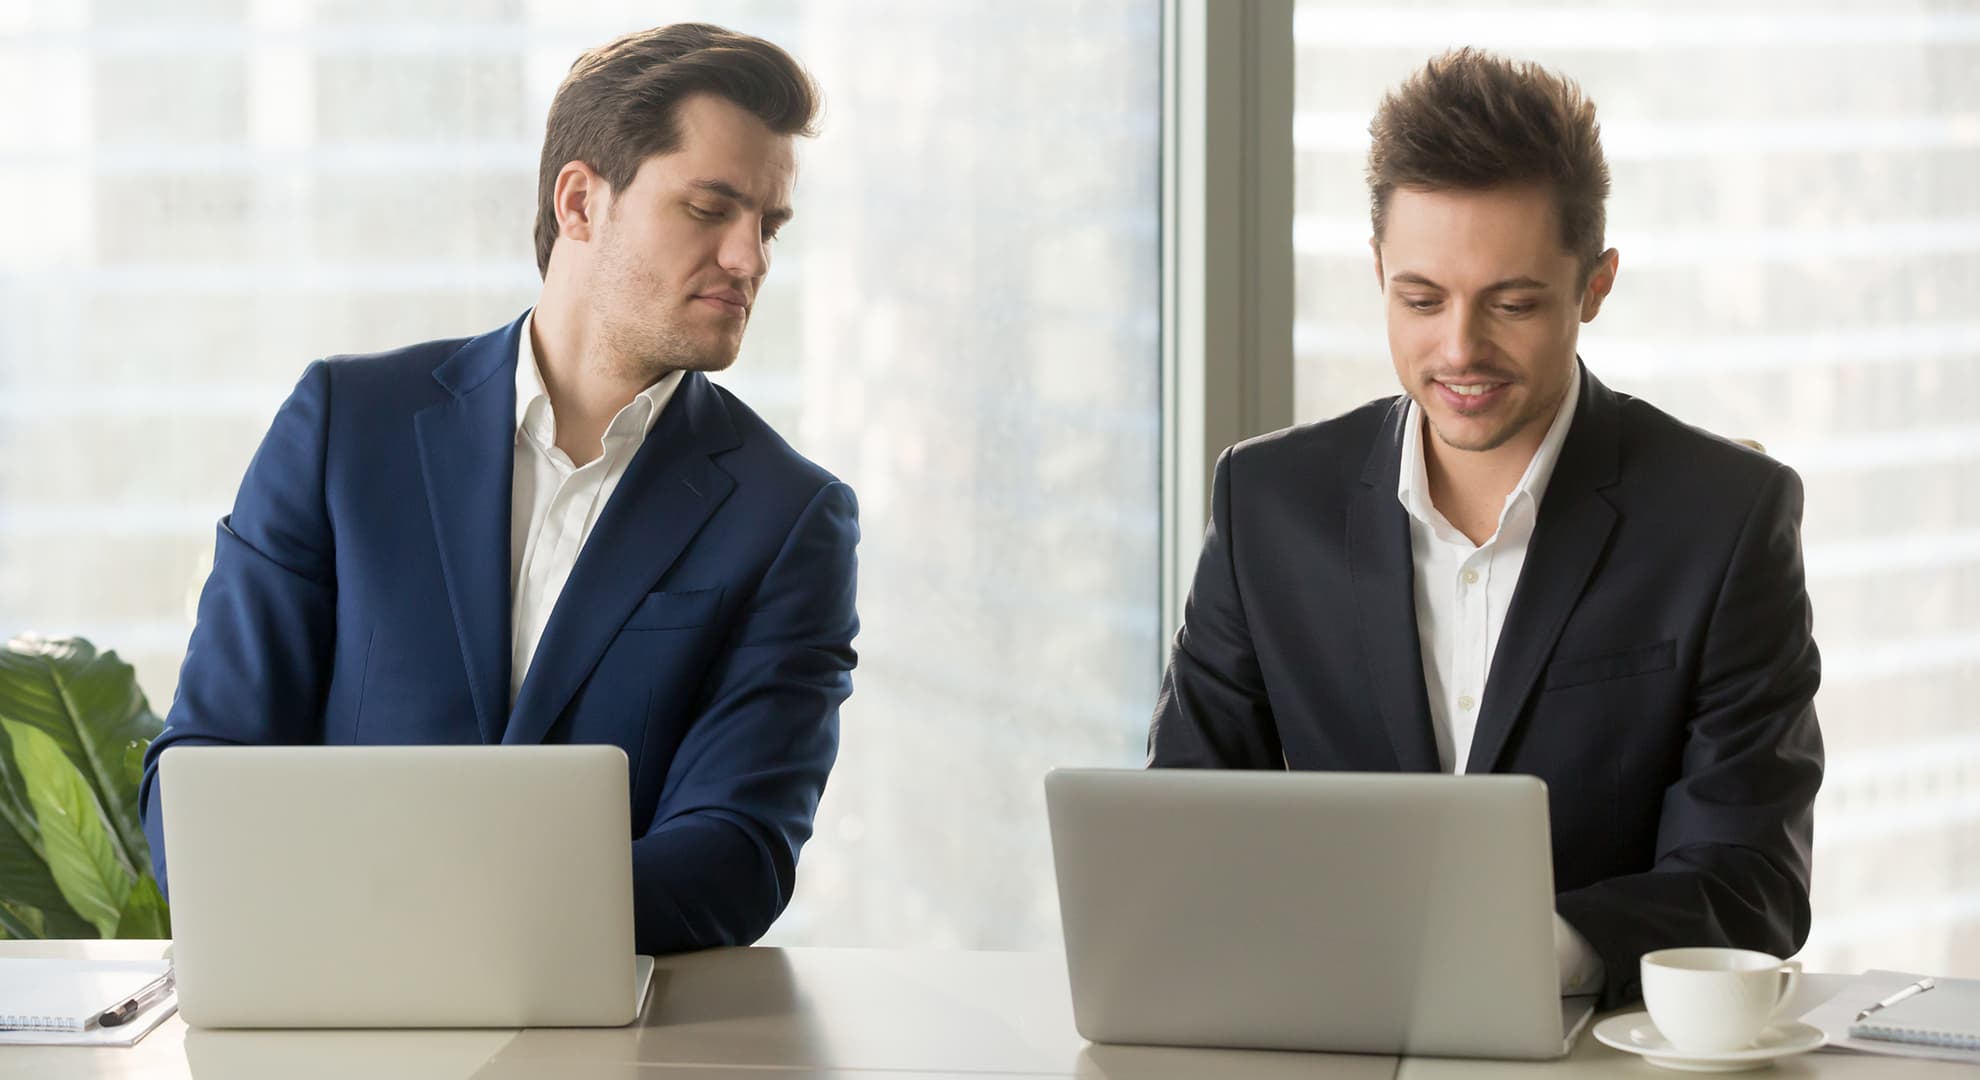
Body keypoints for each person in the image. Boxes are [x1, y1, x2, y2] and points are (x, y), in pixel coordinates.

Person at [139, 23, 858, 954]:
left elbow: (737, 850)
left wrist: (431, 917)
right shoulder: (345, 428)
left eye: (768, 226)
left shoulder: (788, 517)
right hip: (332, 1022)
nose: (750, 258)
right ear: (580, 202)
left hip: (608, 1040)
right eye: (710, 209)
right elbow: (204, 773)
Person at [1147, 47, 1821, 1008]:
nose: (1460, 348)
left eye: (1512, 303)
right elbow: (1183, 826)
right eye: (1420, 299)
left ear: (1595, 285)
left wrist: (1535, 953)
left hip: (1594, 1050)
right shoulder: (1265, 504)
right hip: (1322, 1033)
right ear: (1377, 270)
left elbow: (1754, 881)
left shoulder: (1727, 518)